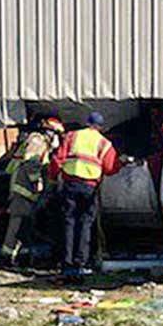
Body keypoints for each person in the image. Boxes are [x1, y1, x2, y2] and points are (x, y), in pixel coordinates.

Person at [49, 111, 122, 280]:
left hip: (70, 184)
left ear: (86, 123)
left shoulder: (72, 136)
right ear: (100, 127)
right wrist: (121, 163)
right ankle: (80, 263)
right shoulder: (104, 143)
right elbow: (110, 168)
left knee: (69, 222)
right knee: (85, 225)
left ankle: (66, 263)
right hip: (89, 187)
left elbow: (57, 159)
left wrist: (53, 178)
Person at [0, 117, 64, 266]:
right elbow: (31, 163)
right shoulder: (37, 141)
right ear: (50, 132)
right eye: (57, 135)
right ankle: (7, 257)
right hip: (23, 189)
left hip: (28, 191)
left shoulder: (44, 144)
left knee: (25, 225)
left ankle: (21, 256)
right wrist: (37, 181)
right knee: (17, 223)